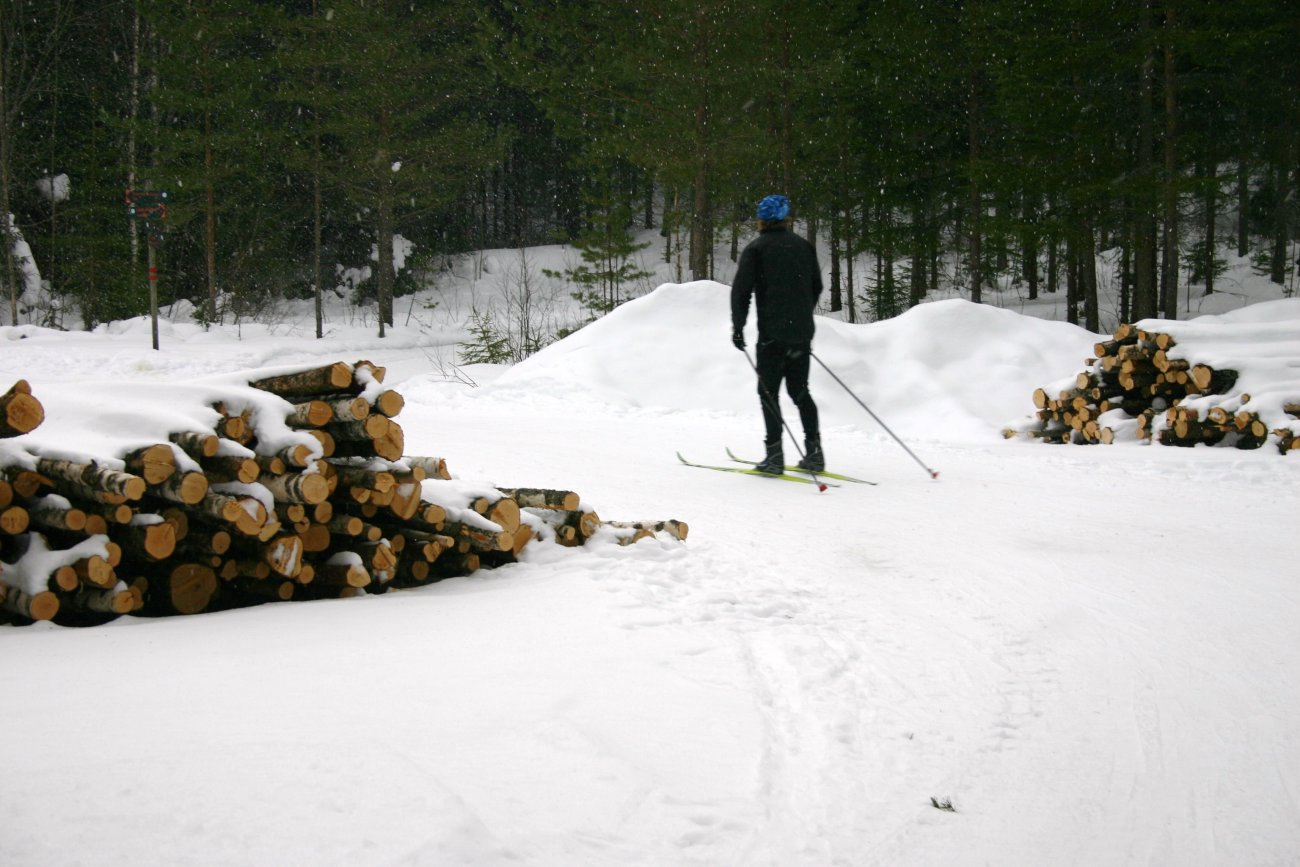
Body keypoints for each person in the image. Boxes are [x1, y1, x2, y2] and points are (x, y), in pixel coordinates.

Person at [730, 193, 824, 475]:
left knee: (768, 393)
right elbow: (816, 286)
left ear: (761, 220)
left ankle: (774, 457)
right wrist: (800, 312)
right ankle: (815, 454)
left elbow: (741, 292)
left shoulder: (756, 250)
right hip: (802, 334)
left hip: (771, 335)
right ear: (786, 219)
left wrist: (738, 326)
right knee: (800, 392)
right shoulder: (803, 246)